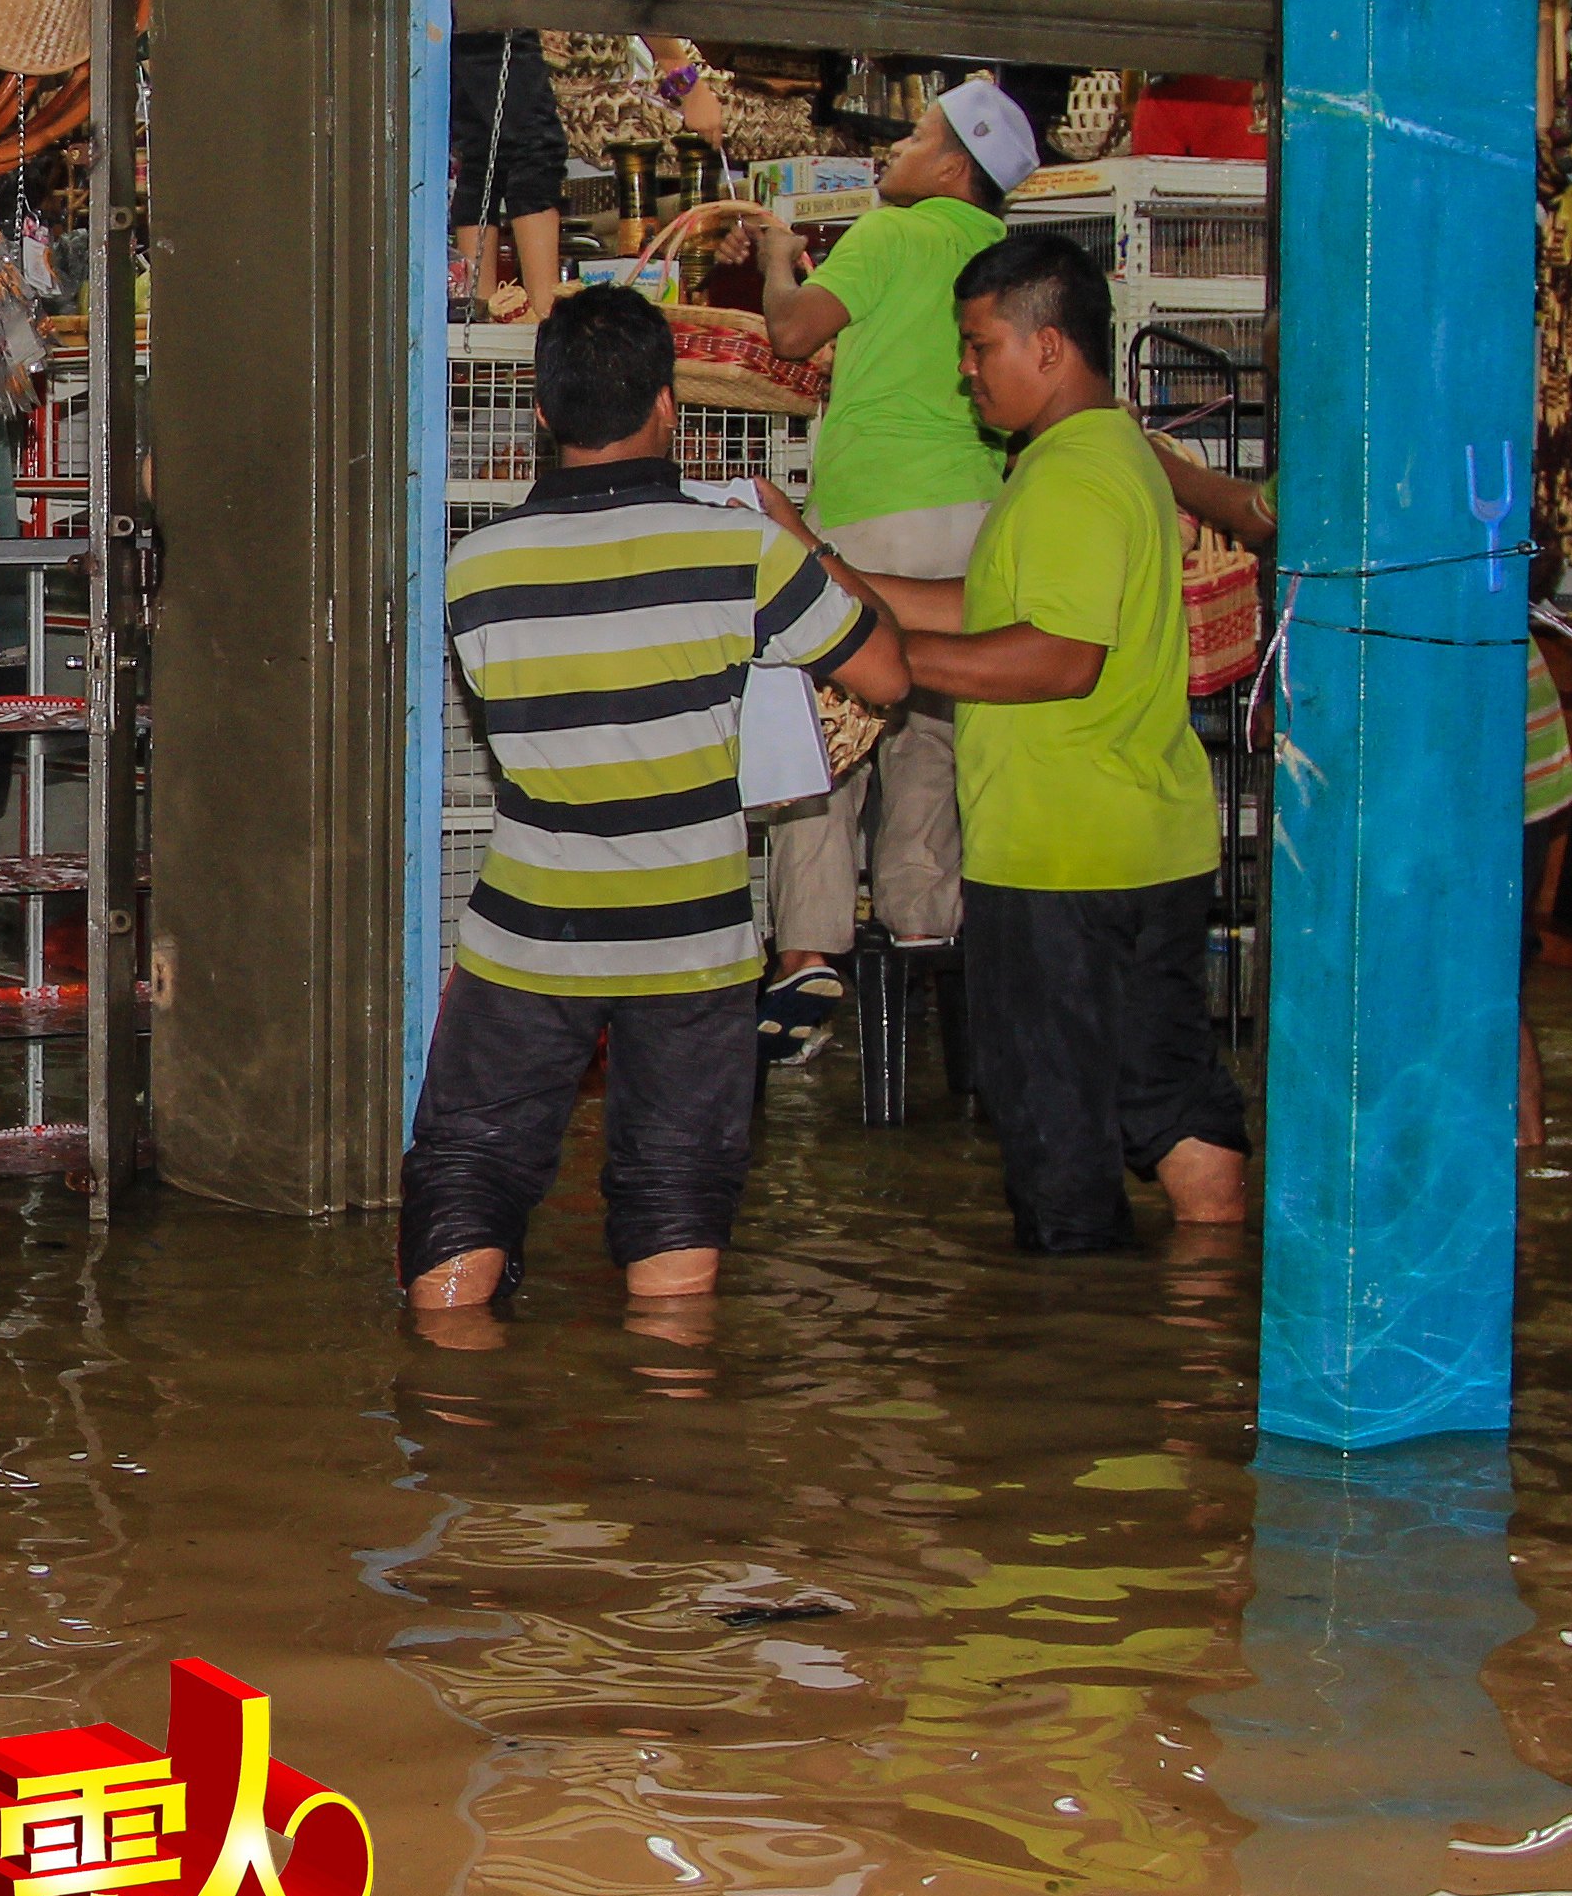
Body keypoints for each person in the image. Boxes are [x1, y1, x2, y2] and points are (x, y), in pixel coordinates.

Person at [404, 285, 906, 1333]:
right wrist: (796, 538)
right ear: (670, 407)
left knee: (465, 1189)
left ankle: (445, 1415)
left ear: (542, 414)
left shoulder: (474, 568)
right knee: (677, 1218)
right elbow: (890, 675)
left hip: (531, 937)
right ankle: (669, 1442)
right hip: (695, 941)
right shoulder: (744, 556)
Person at [769, 229, 1247, 1253]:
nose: (965, 371)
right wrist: (824, 570)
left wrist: (891, 665)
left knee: (1056, 1152)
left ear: (1049, 348)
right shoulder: (1103, 456)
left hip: (1059, 862)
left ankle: (1072, 1363)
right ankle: (1208, 1313)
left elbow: (1057, 658)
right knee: (1166, 1095)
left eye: (980, 347)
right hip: (1150, 843)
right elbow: (975, 607)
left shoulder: (1070, 478)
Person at [1150, 446, 1572, 1152]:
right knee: (1481, 975)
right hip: (1494, 771)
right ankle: (1514, 1147)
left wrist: (1149, 454)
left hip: (1476, 776)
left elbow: (1255, 519)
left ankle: (1509, 1138)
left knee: (1462, 974)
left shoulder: (1358, 466)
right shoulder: (1443, 479)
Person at [742, 72, 1040, 1065]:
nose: (896, 154)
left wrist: (780, 263)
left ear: (954, 163)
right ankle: (924, 925)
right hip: (979, 519)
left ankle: (812, 950)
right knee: (934, 736)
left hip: (872, 522)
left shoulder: (887, 234)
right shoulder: (1010, 259)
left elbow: (791, 334)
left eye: (914, 137)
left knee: (825, 731)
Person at [448, 30, 569, 326]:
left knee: (482, 149)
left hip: (451, 5)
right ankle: (544, 318)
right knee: (534, 146)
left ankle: (481, 315)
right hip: (491, 5)